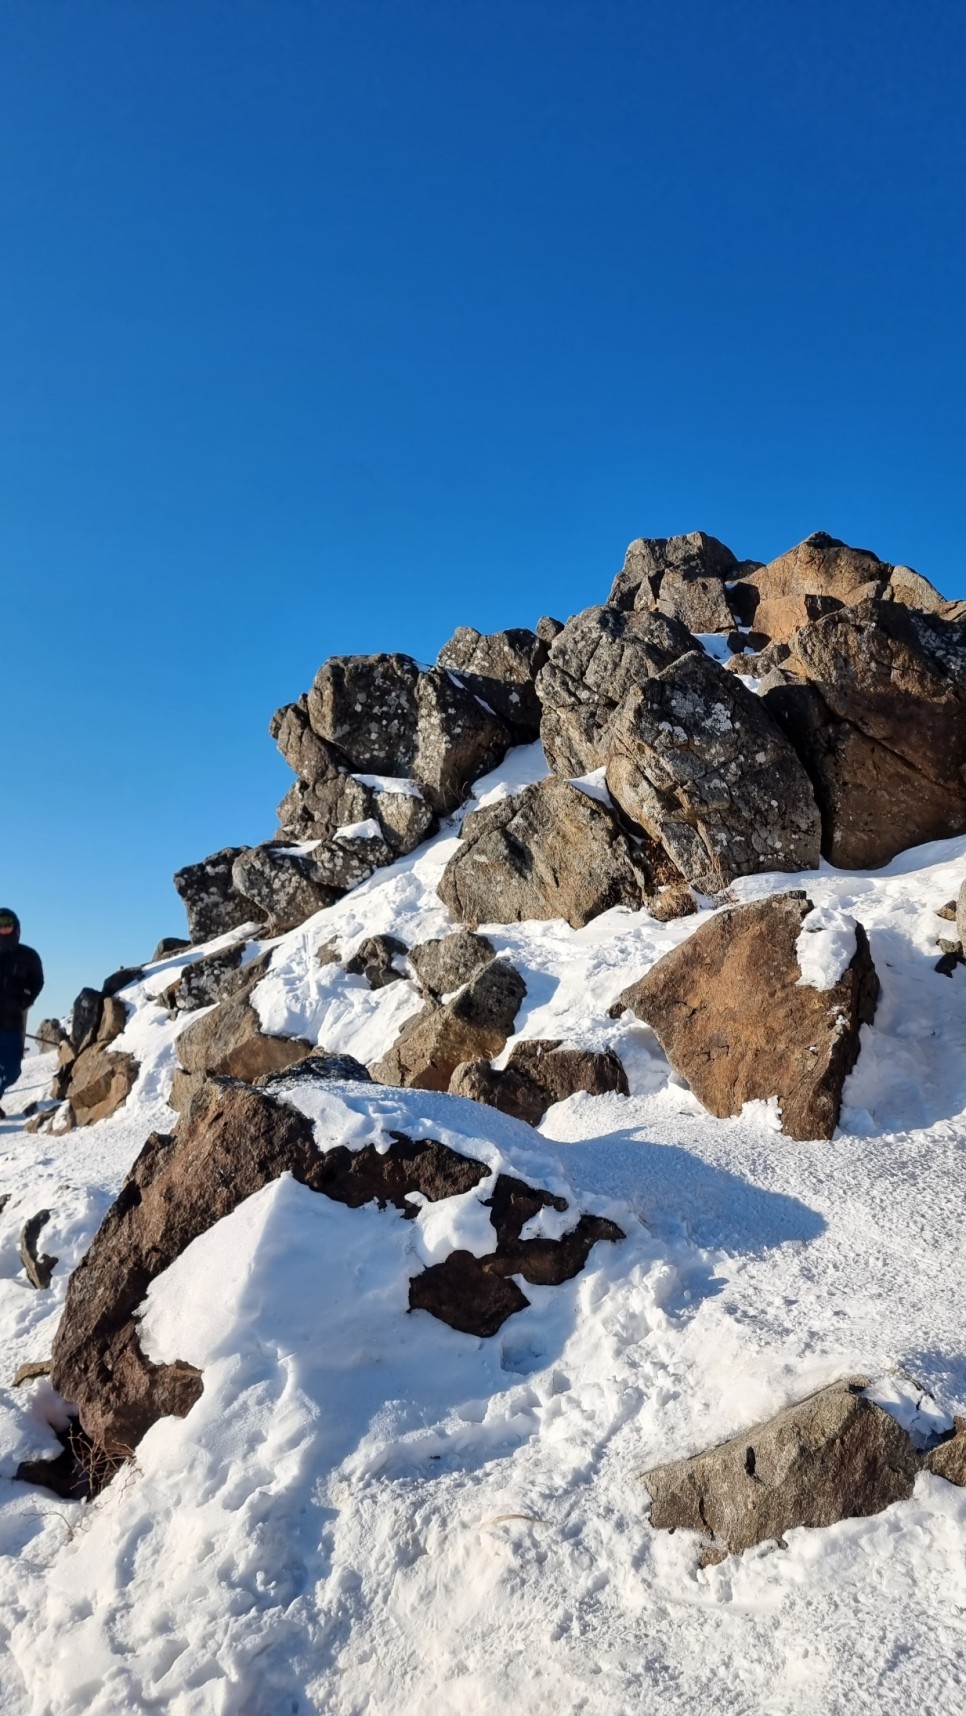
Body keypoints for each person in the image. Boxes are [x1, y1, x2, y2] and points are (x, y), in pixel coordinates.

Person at [0, 908, 44, 1118]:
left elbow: (37, 981)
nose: (2, 930)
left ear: (16, 929)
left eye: (6, 925)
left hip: (12, 1022)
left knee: (12, 1071)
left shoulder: (28, 956)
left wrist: (26, 1000)